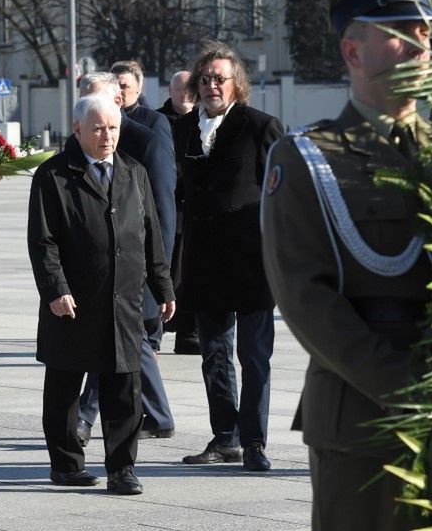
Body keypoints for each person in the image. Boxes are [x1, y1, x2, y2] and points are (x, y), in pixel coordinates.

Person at [261, 0, 432, 530]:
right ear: (352, 51)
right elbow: (306, 301)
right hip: (361, 421)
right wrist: (407, 391)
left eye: (424, 32)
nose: (419, 46)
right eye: (399, 34)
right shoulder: (308, 158)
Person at [28, 92, 175, 494]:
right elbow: (43, 241)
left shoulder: (133, 171)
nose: (107, 135)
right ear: (77, 129)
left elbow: (151, 235)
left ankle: (122, 468)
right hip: (72, 301)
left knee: (125, 387)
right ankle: (66, 464)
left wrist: (162, 285)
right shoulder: (54, 176)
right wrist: (56, 289)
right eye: (97, 128)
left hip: (123, 299)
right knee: (65, 386)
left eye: (113, 127)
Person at [174, 41, 284, 472]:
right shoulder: (183, 131)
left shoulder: (261, 127)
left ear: (237, 85)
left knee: (254, 357)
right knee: (213, 354)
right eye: (205, 78)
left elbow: (283, 193)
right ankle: (226, 438)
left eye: (220, 78)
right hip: (204, 263)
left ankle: (254, 442)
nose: (211, 85)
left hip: (253, 262)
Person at [73, 72, 176, 444]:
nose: (90, 114)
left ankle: (84, 418)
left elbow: (161, 211)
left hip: (134, 270)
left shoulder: (147, 141)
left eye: (95, 104)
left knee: (115, 344)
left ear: (117, 102)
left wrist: (158, 278)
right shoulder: (80, 144)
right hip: (98, 271)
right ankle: (161, 416)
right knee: (130, 345)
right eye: (83, 107)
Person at [157, 69, 198, 354]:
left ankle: (188, 333)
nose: (184, 95)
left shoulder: (205, 120)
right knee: (163, 271)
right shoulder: (158, 121)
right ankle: (154, 331)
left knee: (190, 275)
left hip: (193, 209)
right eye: (179, 90)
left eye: (189, 90)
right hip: (164, 207)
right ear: (170, 91)